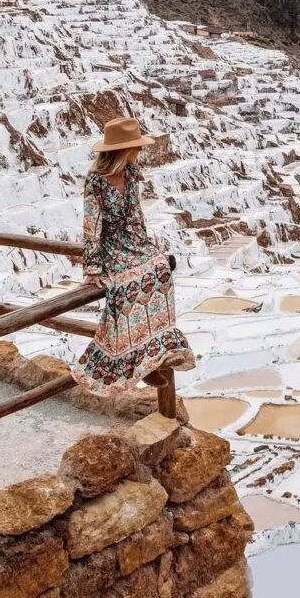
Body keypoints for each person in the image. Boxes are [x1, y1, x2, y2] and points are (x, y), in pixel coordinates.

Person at [72, 115, 195, 395]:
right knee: (129, 283)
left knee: (160, 270)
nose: (139, 151)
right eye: (136, 147)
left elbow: (137, 217)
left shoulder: (130, 175)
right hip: (112, 246)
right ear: (123, 150)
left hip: (133, 241)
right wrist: (93, 268)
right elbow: (92, 226)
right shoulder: (96, 181)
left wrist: (146, 248)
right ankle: (137, 362)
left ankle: (152, 359)